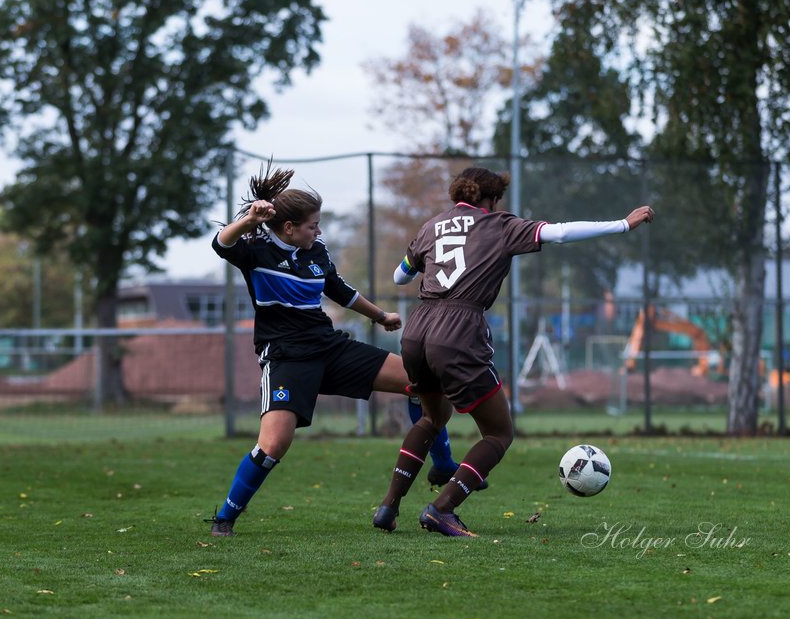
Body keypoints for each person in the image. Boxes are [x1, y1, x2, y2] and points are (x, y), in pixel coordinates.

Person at [374, 167, 654, 537]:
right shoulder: (499, 225)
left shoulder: (432, 225)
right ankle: (442, 509)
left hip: (418, 329)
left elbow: (399, 277)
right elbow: (561, 232)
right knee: (497, 434)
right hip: (458, 329)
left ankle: (388, 507)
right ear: (490, 199)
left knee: (431, 419)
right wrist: (623, 224)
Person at [205, 164, 456, 536]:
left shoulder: (316, 251)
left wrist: (380, 316)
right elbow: (220, 243)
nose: (319, 231)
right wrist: (249, 221)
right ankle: (225, 517)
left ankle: (444, 465)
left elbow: (339, 290)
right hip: (286, 357)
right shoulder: (256, 252)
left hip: (329, 347)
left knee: (422, 380)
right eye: (313, 225)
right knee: (273, 445)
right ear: (288, 228)